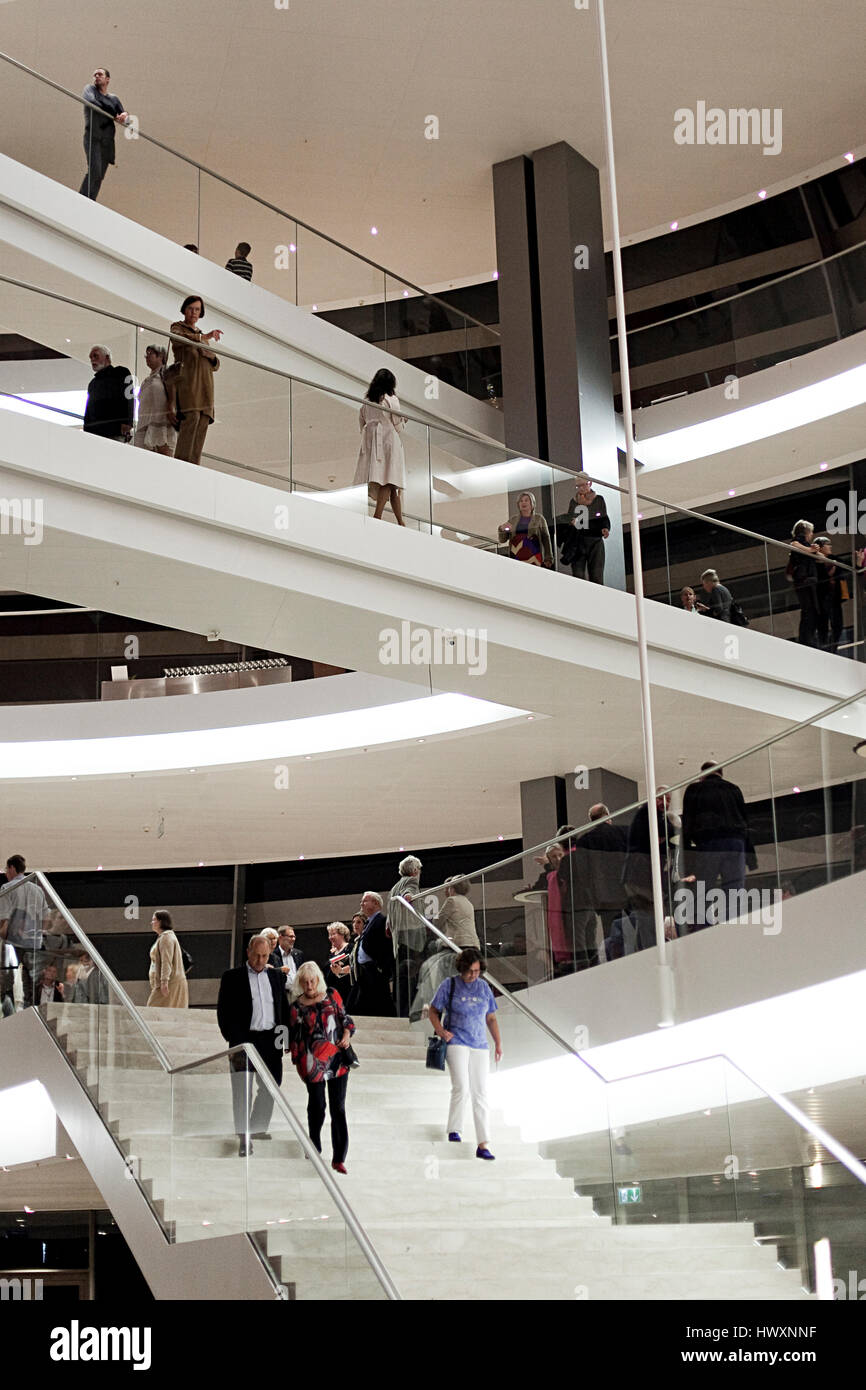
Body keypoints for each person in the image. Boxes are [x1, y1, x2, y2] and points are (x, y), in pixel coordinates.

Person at [217, 935, 289, 1156]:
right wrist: (233, 1039)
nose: (260, 960)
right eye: (257, 955)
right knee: (242, 1090)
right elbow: (223, 1012)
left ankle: (257, 1127)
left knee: (271, 1086)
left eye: (265, 956)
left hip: (270, 1041)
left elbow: (283, 1009)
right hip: (243, 1042)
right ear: (248, 952)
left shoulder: (277, 977)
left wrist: (284, 1039)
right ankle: (244, 1137)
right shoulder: (231, 977)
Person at [428, 948, 502, 1161]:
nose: (473, 975)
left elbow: (491, 1018)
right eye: (470, 971)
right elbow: (433, 1010)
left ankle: (483, 1143)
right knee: (461, 1085)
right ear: (462, 969)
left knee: (481, 1092)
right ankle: (455, 1129)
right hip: (456, 1041)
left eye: (477, 971)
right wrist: (441, 1031)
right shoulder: (449, 985)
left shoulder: (484, 988)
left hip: (480, 1044)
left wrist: (498, 1043)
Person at [288, 962, 354, 1174]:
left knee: (338, 1108)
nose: (309, 985)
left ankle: (339, 1158)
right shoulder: (296, 1006)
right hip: (311, 1062)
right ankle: (314, 1145)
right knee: (316, 1106)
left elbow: (346, 1020)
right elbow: (294, 1037)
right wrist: (297, 1060)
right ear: (300, 982)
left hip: (336, 1058)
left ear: (318, 980)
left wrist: (346, 1036)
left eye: (312, 980)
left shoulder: (332, 995)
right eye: (305, 981)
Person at [681, 762, 757, 928]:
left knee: (703, 890)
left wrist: (687, 857)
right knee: (735, 891)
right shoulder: (733, 789)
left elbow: (687, 823)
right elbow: (745, 822)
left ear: (702, 775)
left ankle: (704, 931)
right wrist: (751, 858)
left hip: (709, 843)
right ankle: (734, 928)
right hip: (735, 844)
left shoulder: (694, 790)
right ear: (721, 773)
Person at [168, 296, 223, 467]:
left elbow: (216, 365)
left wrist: (212, 356)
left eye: (197, 309)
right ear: (184, 309)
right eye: (191, 308)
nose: (194, 313)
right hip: (189, 386)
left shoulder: (202, 336)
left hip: (206, 387)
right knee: (191, 420)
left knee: (202, 423)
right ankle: (181, 467)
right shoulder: (178, 327)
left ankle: (194, 467)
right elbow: (178, 338)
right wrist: (202, 337)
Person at [622, 791, 680, 951]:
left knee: (646, 924)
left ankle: (646, 955)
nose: (666, 803)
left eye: (668, 800)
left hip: (644, 883)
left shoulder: (650, 821)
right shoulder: (648, 816)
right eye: (663, 799)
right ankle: (652, 955)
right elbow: (667, 831)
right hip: (642, 882)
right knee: (648, 923)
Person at [353, 369, 407, 525]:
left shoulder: (367, 402)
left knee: (390, 481)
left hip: (372, 442)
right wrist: (403, 421)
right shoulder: (391, 399)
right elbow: (397, 424)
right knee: (389, 479)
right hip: (389, 440)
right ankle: (379, 515)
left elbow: (361, 423)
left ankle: (400, 521)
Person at [0, 855, 50, 1008]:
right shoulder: (37, 889)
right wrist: (40, 932)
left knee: (6, 980)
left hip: (13, 941)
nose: (6, 873)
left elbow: (3, 917)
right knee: (32, 982)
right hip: (34, 941)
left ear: (12, 868)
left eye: (6, 869)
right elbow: (46, 916)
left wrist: (3, 935)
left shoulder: (7, 888)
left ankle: (6, 1015)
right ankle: (33, 1012)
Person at [78, 67, 128, 200]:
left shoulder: (114, 98)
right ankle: (82, 199)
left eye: (100, 74)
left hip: (107, 141)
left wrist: (124, 115)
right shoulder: (89, 89)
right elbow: (93, 102)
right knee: (94, 171)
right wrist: (113, 113)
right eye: (94, 74)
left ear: (107, 79)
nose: (96, 76)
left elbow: (124, 115)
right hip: (93, 137)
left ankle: (90, 201)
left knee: (100, 176)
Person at [387, 854, 424, 1016]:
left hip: (398, 938)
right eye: (419, 869)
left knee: (400, 979)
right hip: (411, 937)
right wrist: (409, 897)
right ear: (415, 870)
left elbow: (389, 921)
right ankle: (410, 1014)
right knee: (411, 977)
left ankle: (401, 1012)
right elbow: (409, 894)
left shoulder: (394, 887)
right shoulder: (411, 881)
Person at [346, 891, 394, 1016]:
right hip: (364, 972)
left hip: (375, 970)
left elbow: (386, 947)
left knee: (379, 1004)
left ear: (375, 903)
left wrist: (380, 968)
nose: (361, 903)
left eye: (364, 901)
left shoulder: (382, 921)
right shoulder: (369, 922)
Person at [559, 473, 611, 584]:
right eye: (578, 486)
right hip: (578, 541)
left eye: (584, 485)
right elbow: (571, 519)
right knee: (578, 575)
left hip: (595, 540)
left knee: (596, 575)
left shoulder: (598, 500)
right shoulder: (574, 501)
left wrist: (605, 528)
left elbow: (603, 517)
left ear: (590, 483)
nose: (581, 488)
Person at [83, 346, 134, 442]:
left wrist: (128, 422)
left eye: (95, 356)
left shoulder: (121, 372)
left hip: (115, 431)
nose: (92, 360)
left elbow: (129, 397)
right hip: (95, 434)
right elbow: (88, 409)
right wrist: (86, 429)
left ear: (107, 357)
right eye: (91, 357)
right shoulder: (93, 383)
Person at [135, 346, 176, 455]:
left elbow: (173, 393)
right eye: (146, 354)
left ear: (161, 356)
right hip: (145, 422)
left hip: (161, 421)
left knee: (164, 452)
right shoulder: (147, 380)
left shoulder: (167, 374)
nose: (147, 357)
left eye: (150, 353)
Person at [787, 520, 821, 648]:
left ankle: (808, 639)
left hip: (806, 579)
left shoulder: (806, 544)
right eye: (811, 531)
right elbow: (794, 544)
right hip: (804, 579)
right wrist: (811, 549)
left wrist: (814, 550)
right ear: (806, 532)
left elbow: (820, 556)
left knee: (810, 610)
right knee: (808, 610)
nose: (812, 534)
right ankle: (806, 640)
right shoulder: (798, 541)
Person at [145, 910, 188, 1008]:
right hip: (171, 982)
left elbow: (166, 961)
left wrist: (164, 982)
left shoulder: (166, 937)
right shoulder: (166, 937)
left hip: (170, 983)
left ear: (160, 922)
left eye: (154, 920)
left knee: (152, 1010)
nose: (151, 923)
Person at [498, 491, 553, 567]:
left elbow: (546, 539)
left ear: (532, 503)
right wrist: (502, 529)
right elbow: (502, 540)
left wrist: (548, 558)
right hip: (516, 557)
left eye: (526, 500)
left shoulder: (539, 519)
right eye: (521, 501)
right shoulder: (513, 520)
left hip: (534, 557)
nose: (523, 503)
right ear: (518, 504)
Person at [814, 536, 845, 654]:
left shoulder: (833, 559)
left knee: (838, 625)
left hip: (835, 597)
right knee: (823, 626)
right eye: (827, 544)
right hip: (822, 598)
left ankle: (832, 650)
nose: (830, 546)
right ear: (820, 547)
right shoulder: (815, 561)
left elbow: (846, 566)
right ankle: (824, 651)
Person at [325, 923, 353, 995]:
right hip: (334, 992)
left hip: (348, 990)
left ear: (342, 934)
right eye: (329, 935)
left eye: (333, 934)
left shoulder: (350, 948)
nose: (330, 937)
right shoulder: (332, 953)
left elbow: (355, 968)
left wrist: (342, 970)